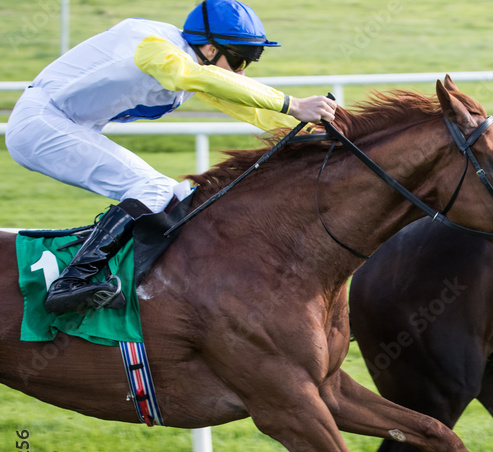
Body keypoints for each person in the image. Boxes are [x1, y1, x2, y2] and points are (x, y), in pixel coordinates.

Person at [5, 0, 339, 314]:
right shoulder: (157, 48)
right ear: (209, 48)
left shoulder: (193, 62)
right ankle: (71, 284)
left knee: (176, 194)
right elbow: (199, 77)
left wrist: (319, 129)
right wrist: (292, 104)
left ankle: (123, 282)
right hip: (41, 124)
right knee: (153, 190)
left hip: (65, 125)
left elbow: (244, 105)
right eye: (238, 61)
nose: (240, 74)